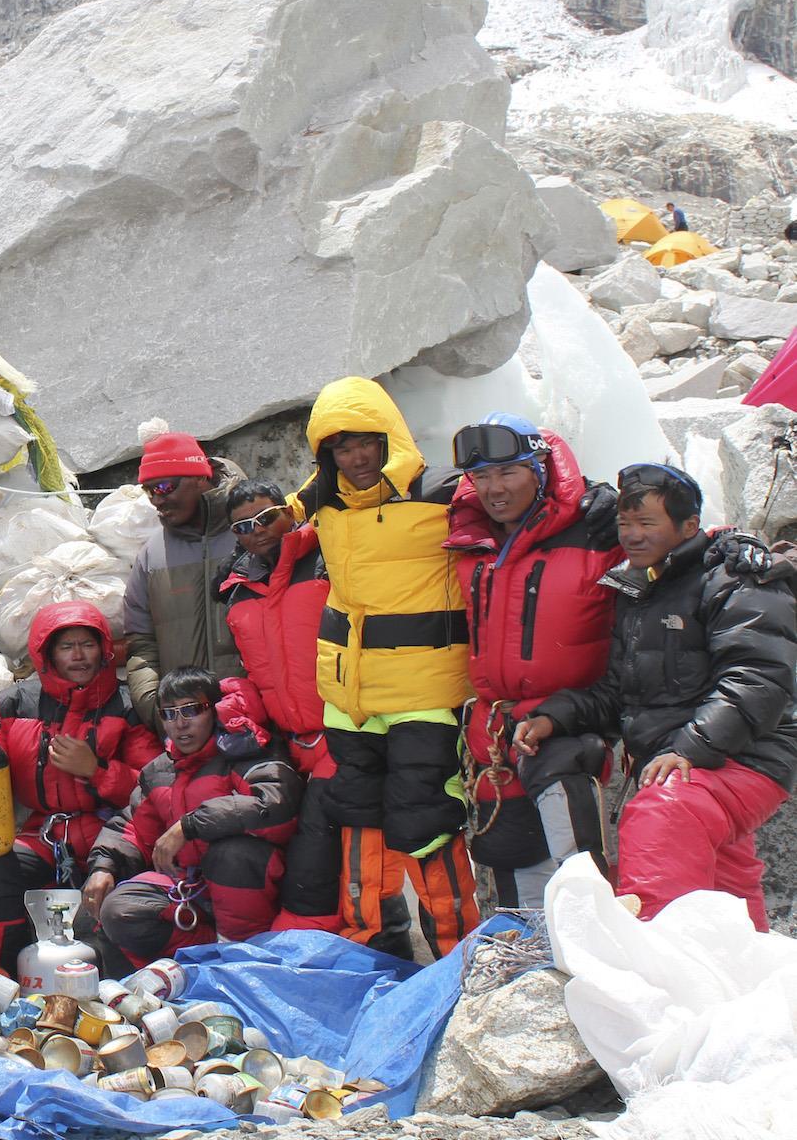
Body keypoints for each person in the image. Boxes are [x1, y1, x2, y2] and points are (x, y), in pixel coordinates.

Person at [515, 465, 797, 928]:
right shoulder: (639, 589)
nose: (633, 536)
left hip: (744, 757)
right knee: (727, 883)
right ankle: (754, 980)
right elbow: (618, 693)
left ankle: (651, 962)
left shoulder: (735, 578)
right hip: (686, 763)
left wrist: (687, 750)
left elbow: (758, 680)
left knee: (661, 811)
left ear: (689, 526)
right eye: (626, 524)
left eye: (648, 524)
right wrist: (554, 717)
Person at [289, 377, 478, 958]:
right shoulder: (326, 499)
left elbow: (521, 504)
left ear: (388, 437)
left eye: (366, 442)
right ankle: (369, 954)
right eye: (341, 447)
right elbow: (262, 513)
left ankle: (459, 959)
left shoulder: (444, 491)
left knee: (427, 822)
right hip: (351, 700)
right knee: (358, 823)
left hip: (426, 695)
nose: (357, 456)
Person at [443, 414, 622, 910]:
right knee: (514, 876)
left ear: (541, 467)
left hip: (569, 725)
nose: (494, 489)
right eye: (481, 477)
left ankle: (595, 959)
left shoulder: (599, 531)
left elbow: (672, 540)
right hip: (495, 732)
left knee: (580, 878)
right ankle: (527, 974)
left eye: (508, 473)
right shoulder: (470, 539)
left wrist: (735, 548)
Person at [0, 602, 163, 972]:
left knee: (113, 902)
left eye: (88, 644)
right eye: (66, 646)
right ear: (47, 653)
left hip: (111, 835)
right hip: (45, 834)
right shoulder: (18, 701)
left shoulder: (126, 706)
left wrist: (95, 770)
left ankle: (112, 990)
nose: (79, 656)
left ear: (104, 649)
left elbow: (154, 787)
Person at [84, 668, 302, 968]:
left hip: (254, 894)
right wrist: (104, 866)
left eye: (191, 710)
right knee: (118, 908)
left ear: (215, 710)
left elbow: (274, 806)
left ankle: (243, 960)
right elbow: (132, 825)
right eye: (169, 714)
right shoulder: (160, 771)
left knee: (232, 853)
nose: (180, 723)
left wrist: (189, 826)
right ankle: (204, 961)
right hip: (192, 893)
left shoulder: (248, 751)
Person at [214, 479, 341, 932]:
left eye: (267, 518)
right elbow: (252, 669)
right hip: (288, 743)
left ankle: (326, 950)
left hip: (342, 732)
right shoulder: (238, 591)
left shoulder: (327, 559)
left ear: (290, 511)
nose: (258, 531)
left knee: (324, 854)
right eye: (244, 527)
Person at [122, 427, 246, 727]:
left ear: (199, 478)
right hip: (186, 728)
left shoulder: (251, 532)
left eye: (164, 487)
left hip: (255, 718)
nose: (156, 500)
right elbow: (142, 645)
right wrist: (154, 707)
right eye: (148, 490)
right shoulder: (151, 556)